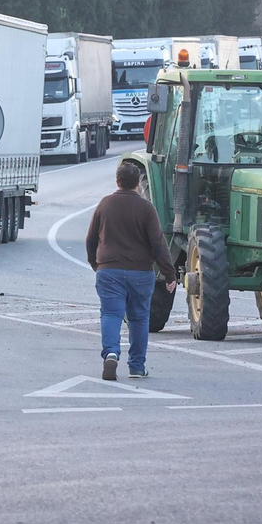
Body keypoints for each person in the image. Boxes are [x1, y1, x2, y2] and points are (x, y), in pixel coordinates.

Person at [86, 161, 177, 380]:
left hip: (109, 271)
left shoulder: (105, 204)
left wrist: (95, 264)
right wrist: (169, 274)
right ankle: (136, 366)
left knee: (111, 314)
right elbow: (158, 243)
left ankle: (110, 353)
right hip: (140, 273)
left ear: (117, 181)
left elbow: (91, 239)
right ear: (138, 183)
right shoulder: (146, 208)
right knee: (139, 318)